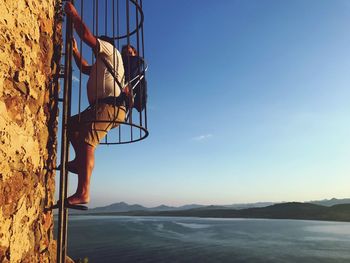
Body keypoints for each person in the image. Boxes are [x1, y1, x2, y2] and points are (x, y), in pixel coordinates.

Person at [64, 2, 126, 205]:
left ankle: (84, 193)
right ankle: (78, 161)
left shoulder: (109, 50)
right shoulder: (103, 64)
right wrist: (74, 51)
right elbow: (83, 68)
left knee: (87, 142)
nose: (95, 48)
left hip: (110, 106)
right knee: (72, 125)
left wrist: (74, 16)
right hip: (103, 107)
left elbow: (86, 36)